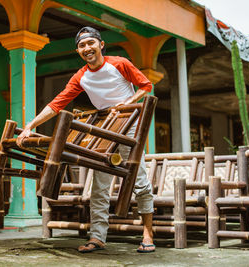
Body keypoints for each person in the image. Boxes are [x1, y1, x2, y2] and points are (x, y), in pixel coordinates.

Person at [16, 26, 155, 253]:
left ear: (101, 45)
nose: (87, 48)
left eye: (91, 43)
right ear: (78, 51)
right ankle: (98, 238)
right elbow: (56, 104)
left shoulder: (119, 63)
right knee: (99, 187)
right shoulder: (81, 77)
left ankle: (148, 234)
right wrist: (30, 126)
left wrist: (128, 103)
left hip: (131, 127)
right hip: (104, 128)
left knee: (138, 182)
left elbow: (146, 86)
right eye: (82, 45)